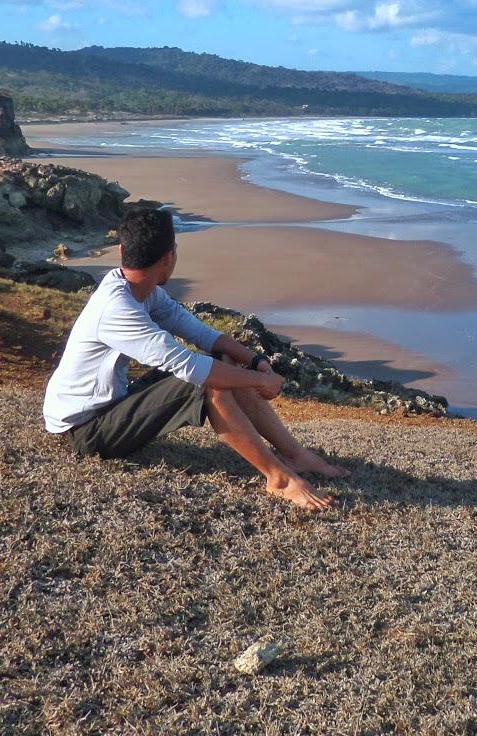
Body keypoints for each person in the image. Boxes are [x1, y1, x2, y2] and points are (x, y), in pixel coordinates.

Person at [42, 205, 345, 510]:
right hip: (84, 429)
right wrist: (260, 380)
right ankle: (279, 479)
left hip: (109, 405)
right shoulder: (116, 309)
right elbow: (190, 368)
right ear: (169, 257)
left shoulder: (139, 289)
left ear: (123, 249)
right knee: (204, 381)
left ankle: (295, 454)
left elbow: (203, 335)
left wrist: (255, 362)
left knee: (221, 362)